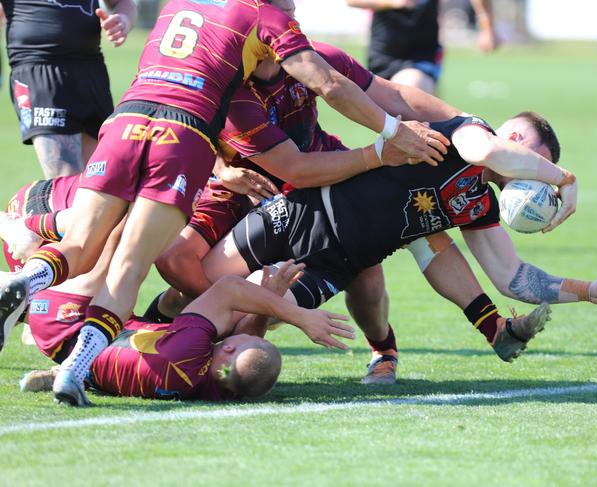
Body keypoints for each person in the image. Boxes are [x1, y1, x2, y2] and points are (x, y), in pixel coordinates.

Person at [0, 0, 449, 407]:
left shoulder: (179, 5)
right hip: (186, 137)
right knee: (136, 266)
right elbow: (325, 92)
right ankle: (80, 367)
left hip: (128, 118)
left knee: (85, 238)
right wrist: (390, 137)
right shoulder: (264, 18)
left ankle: (27, 279)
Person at [181, 112, 597, 382]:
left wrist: (588, 290)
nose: (535, 175)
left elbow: (513, 278)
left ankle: (185, 364)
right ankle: (146, 328)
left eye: (542, 170)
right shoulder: (467, 134)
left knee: (241, 321)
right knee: (199, 282)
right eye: (535, 161)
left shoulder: (479, 204)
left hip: (335, 264)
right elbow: (486, 153)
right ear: (513, 139)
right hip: (301, 213)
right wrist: (564, 178)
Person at [13, 214, 354, 405]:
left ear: (231, 349)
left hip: (65, 321)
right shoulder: (219, 388)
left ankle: (22, 230)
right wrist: (267, 309)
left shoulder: (190, 349)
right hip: (66, 349)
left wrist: (297, 315)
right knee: (175, 295)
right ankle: (58, 372)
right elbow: (246, 353)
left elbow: (229, 289)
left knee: (123, 228)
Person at [0, 0, 137, 177]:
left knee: (104, 182)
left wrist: (123, 20)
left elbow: (124, 3)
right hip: (38, 69)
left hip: (91, 70)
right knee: (66, 178)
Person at [346, 0, 498, 94]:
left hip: (422, 53)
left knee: (411, 92)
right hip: (383, 52)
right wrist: (392, 2)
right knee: (417, 113)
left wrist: (487, 29)